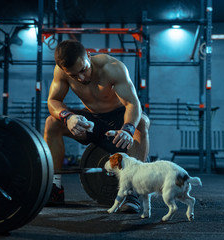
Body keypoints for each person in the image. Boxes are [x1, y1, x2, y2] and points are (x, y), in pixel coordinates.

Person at [43, 39, 150, 213]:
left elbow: (132, 104)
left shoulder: (113, 67)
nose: (81, 78)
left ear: (89, 55)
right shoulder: (61, 72)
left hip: (119, 118)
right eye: (74, 76)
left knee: (142, 123)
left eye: (83, 70)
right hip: (91, 121)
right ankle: (55, 188)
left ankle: (132, 192)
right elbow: (53, 100)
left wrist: (127, 129)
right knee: (52, 123)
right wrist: (68, 117)